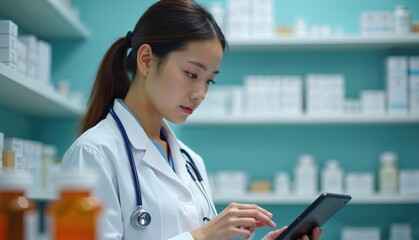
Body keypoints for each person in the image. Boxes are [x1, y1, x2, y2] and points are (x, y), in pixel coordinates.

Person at [60, 0, 323, 239]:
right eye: (191, 74)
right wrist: (202, 236)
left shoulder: (190, 161)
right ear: (146, 59)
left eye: (209, 80)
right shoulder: (92, 154)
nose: (200, 94)